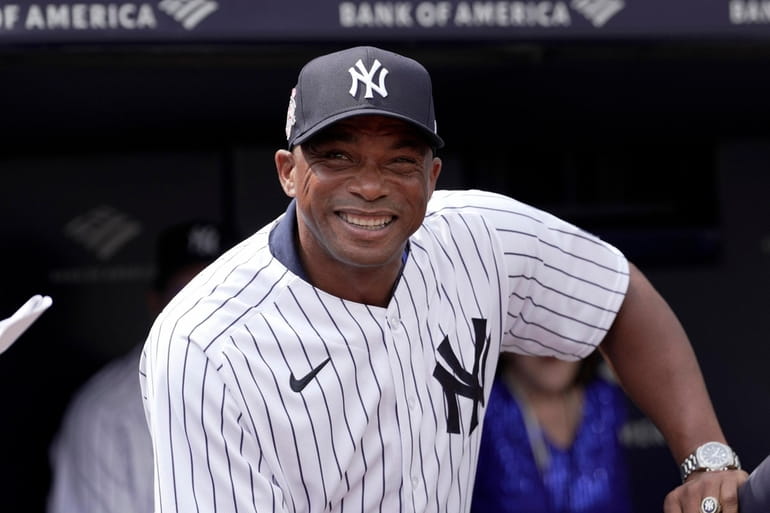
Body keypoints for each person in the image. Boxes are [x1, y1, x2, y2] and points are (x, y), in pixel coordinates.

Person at [139, 45, 747, 513]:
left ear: (432, 176)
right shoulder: (205, 341)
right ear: (288, 173)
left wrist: (706, 461)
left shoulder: (481, 234)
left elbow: (620, 297)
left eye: (399, 161)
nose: (371, 185)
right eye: (336, 157)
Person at [47, 220, 225, 513]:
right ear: (156, 302)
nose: (205, 308)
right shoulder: (108, 411)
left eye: (221, 290)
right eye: (186, 294)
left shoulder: (285, 386)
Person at [471, 351, 633, 513]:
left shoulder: (605, 401)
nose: (551, 345)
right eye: (535, 326)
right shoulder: (481, 411)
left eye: (566, 325)